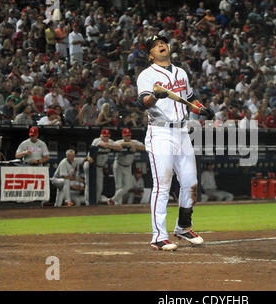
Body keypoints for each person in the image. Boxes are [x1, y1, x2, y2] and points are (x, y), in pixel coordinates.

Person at [136, 34, 214, 251]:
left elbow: (190, 99)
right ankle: (158, 236)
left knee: (190, 182)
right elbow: (143, 102)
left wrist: (201, 108)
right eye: (154, 45)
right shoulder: (147, 75)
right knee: (162, 185)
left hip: (181, 131)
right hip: (160, 132)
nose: (160, 45)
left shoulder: (180, 72)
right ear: (151, 55)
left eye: (162, 42)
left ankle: (183, 227)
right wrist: (155, 95)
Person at [83, 129, 122, 206]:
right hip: (90, 165)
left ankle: (95, 203)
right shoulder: (96, 140)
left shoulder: (110, 141)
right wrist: (110, 146)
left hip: (99, 167)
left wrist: (110, 145)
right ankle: (88, 203)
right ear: (101, 136)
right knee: (89, 185)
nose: (106, 138)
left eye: (107, 136)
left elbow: (119, 147)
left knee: (99, 187)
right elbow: (102, 145)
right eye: (104, 136)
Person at [108, 128, 145, 205]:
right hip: (119, 165)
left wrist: (133, 145)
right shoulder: (119, 142)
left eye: (128, 135)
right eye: (125, 136)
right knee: (118, 185)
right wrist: (128, 145)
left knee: (128, 185)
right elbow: (112, 146)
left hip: (128, 166)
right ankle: (118, 203)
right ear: (123, 136)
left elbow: (143, 147)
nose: (127, 137)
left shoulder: (134, 142)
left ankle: (113, 199)